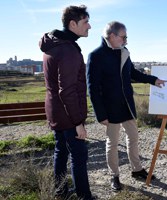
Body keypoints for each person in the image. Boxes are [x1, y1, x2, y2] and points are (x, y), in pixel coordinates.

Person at [86, 21, 166, 191]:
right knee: (112, 143)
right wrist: (101, 114)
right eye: (124, 37)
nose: (126, 40)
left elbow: (133, 73)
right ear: (112, 36)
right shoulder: (96, 56)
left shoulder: (124, 53)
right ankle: (114, 175)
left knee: (133, 139)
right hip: (110, 108)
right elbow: (92, 89)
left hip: (127, 105)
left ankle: (137, 170)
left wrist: (153, 80)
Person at [39, 5, 95, 200]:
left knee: (60, 151)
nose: (89, 26)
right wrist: (78, 122)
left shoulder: (53, 45)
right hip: (68, 115)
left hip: (56, 110)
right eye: (85, 22)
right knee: (79, 156)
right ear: (73, 24)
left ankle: (60, 192)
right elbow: (68, 90)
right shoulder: (68, 50)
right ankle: (84, 196)